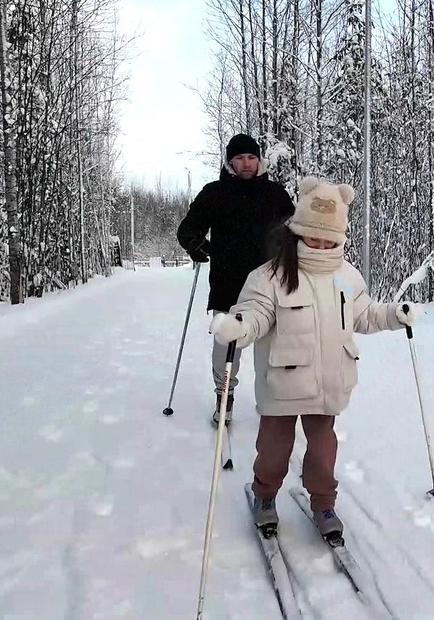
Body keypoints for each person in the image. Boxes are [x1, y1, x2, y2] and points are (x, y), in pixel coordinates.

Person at [210, 176, 418, 541]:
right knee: (274, 452)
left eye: (329, 239)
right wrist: (236, 327)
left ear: (339, 239)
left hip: (327, 382)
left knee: (323, 453)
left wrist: (393, 315)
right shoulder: (269, 276)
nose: (320, 244)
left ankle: (323, 502)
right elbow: (254, 316)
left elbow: (364, 314)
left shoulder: (347, 276)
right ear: (297, 232)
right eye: (312, 236)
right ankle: (264, 495)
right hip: (283, 385)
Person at [176, 133, 296, 426]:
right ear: (230, 161)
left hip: (270, 287)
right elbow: (187, 229)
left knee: (270, 353)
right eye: (240, 158)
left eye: (251, 158)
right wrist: (197, 245)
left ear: (259, 160)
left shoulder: (276, 195)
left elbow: (296, 229)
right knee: (226, 350)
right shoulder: (214, 193)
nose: (246, 164)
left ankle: (273, 407)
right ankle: (224, 398)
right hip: (229, 286)